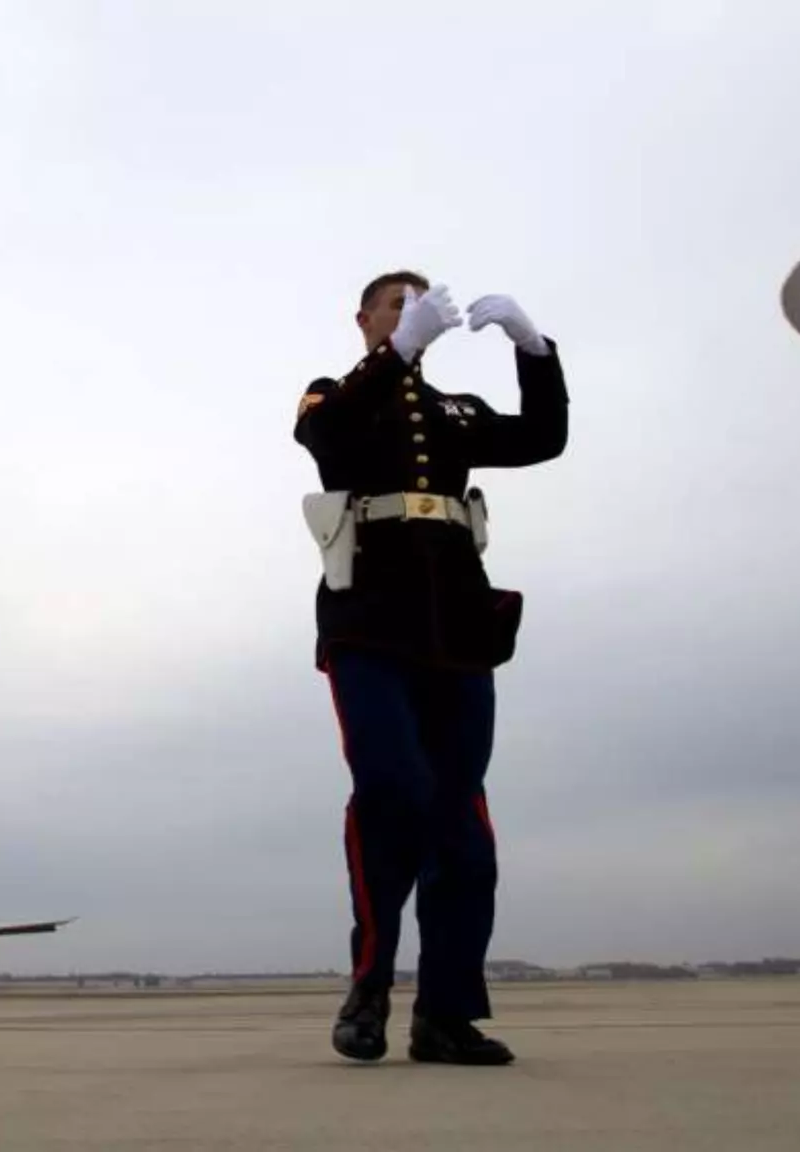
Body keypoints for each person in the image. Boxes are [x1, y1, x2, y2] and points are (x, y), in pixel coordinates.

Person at [292, 270, 569, 1064]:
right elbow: (328, 443)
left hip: (456, 627)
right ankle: (370, 986)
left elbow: (542, 438)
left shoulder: (456, 414)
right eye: (396, 305)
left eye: (420, 305)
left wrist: (534, 348)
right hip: (370, 627)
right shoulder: (333, 394)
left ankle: (445, 1014)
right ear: (365, 320)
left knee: (463, 825)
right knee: (392, 793)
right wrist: (397, 353)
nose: (412, 315)